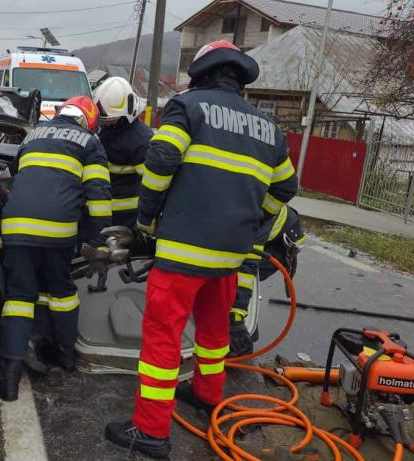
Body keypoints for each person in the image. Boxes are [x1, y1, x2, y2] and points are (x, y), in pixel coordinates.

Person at [104, 40, 298, 459]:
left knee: (163, 336)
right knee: (213, 331)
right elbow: (286, 187)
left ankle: (151, 430)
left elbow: (160, 161)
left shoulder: (187, 107)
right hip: (231, 255)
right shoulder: (268, 127)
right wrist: (251, 218)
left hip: (184, 250)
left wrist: (146, 220)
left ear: (202, 73)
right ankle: (209, 395)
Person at [0, 96, 111, 401]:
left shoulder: (33, 134)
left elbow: (17, 174)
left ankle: (9, 374)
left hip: (16, 227)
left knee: (19, 296)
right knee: (62, 293)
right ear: (87, 122)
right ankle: (65, 355)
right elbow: (97, 197)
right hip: (58, 232)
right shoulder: (89, 143)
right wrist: (98, 240)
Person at [229, 204, 305, 357]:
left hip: (278, 245)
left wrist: (235, 318)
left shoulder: (255, 207)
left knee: (237, 283)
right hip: (257, 232)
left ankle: (242, 344)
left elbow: (248, 267)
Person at [94, 77, 152, 229]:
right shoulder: (109, 130)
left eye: (111, 119)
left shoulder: (140, 141)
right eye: (105, 119)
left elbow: (152, 183)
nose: (107, 122)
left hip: (127, 218)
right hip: (104, 212)